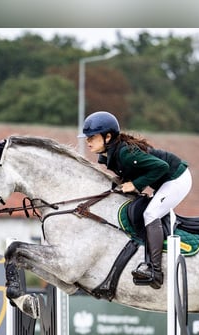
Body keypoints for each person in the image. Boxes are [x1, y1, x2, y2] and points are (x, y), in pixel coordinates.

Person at [80, 111, 192, 289]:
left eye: (92, 137)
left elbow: (161, 167)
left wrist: (136, 185)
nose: (88, 141)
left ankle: (155, 271)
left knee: (150, 214)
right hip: (164, 182)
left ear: (108, 136)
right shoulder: (109, 155)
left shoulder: (125, 153)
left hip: (177, 178)